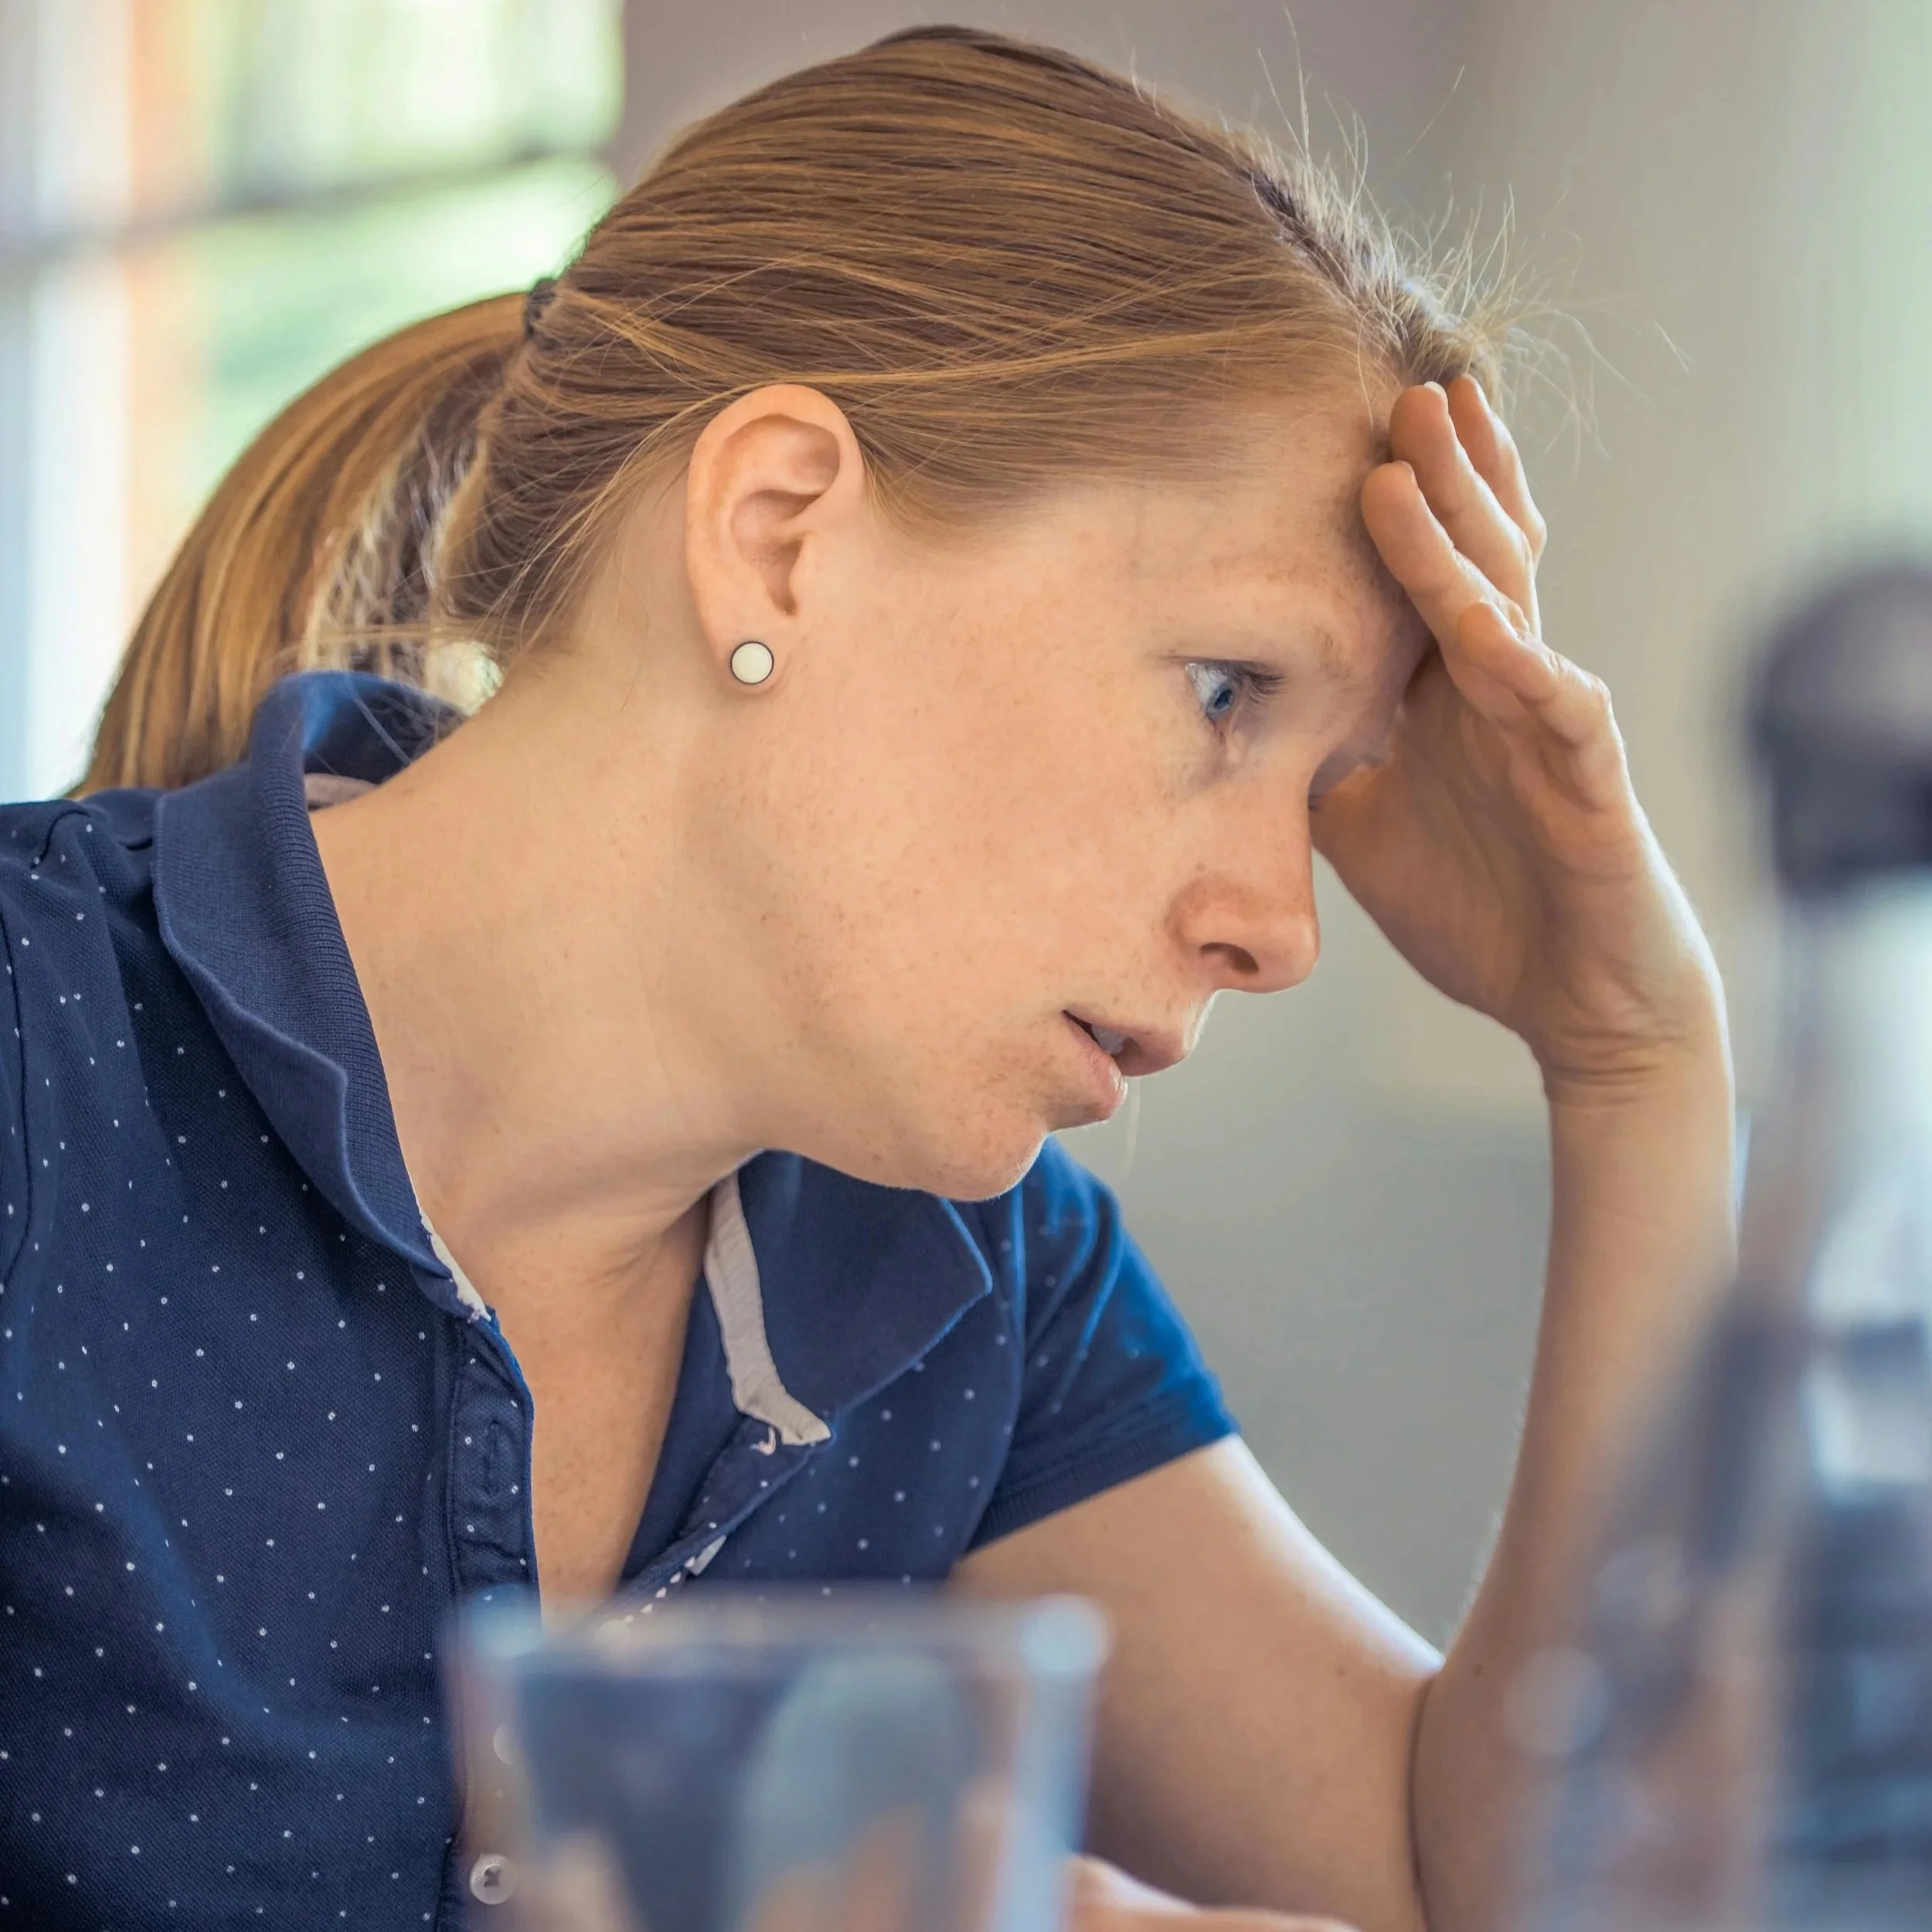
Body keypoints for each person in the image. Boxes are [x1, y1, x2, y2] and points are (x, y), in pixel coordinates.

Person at [0, 22, 1735, 1932]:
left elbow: (1511, 1888)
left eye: (1321, 790)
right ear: (778, 536)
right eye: (1222, 691)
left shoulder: (962, 1279)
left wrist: (1633, 1058)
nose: (1282, 922)